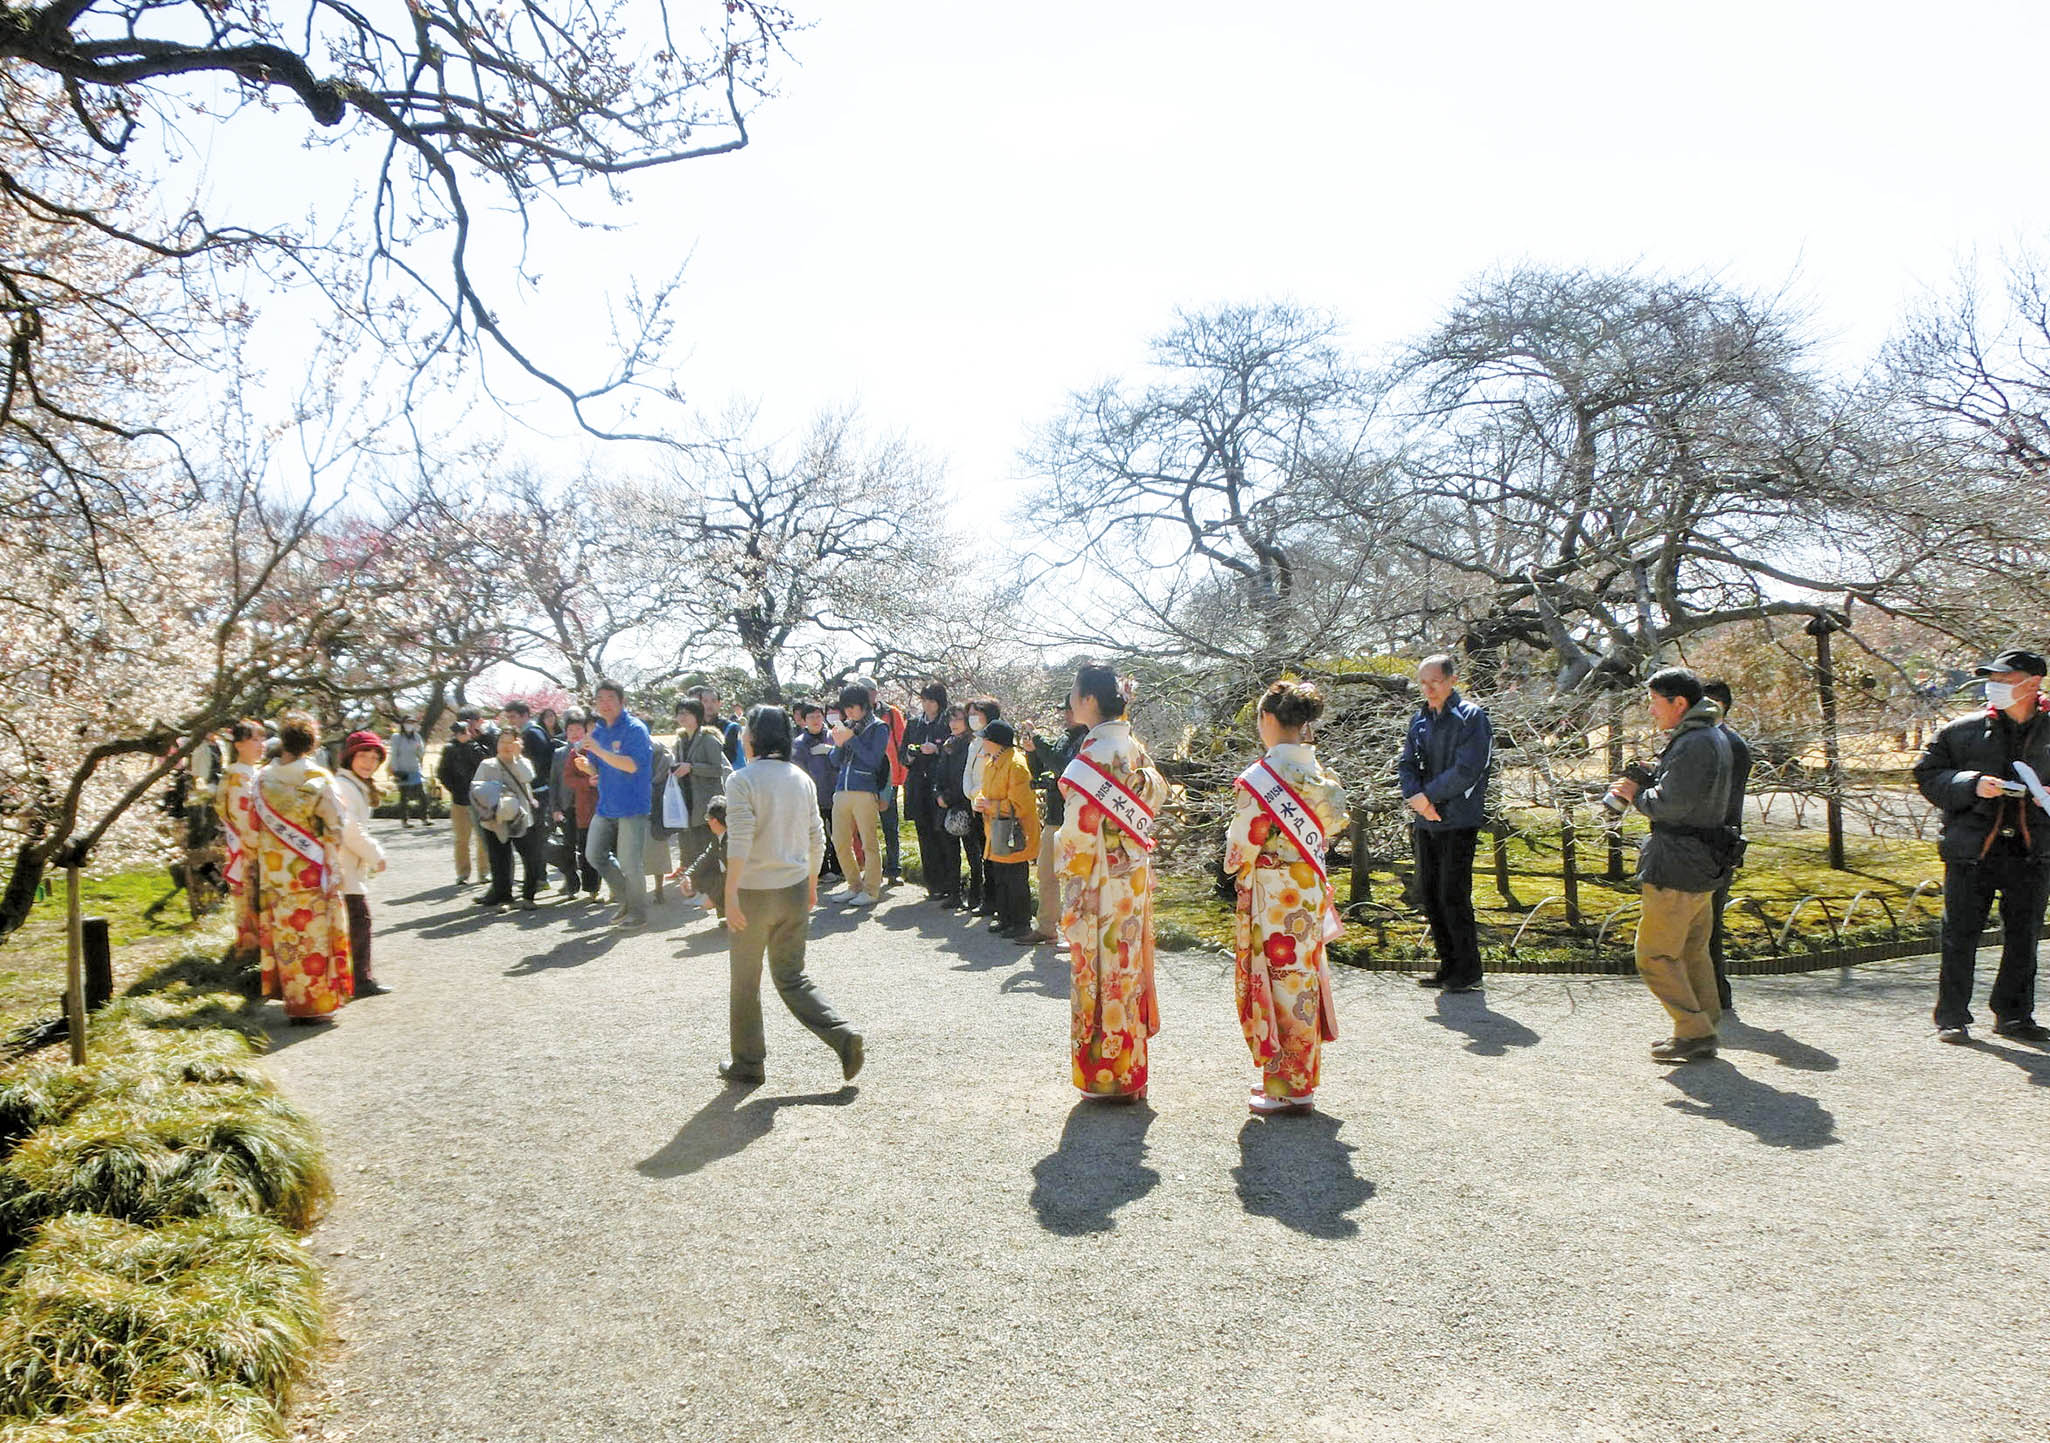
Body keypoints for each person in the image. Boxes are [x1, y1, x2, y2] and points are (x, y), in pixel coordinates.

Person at [718, 705, 865, 1086]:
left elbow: (740, 839)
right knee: (792, 977)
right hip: (796, 887)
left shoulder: (741, 780)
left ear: (753, 737)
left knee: (745, 982)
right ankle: (842, 1035)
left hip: (754, 891)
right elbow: (816, 836)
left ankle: (749, 1063)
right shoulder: (800, 778)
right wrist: (812, 885)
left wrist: (729, 892)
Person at [1913, 647, 2050, 1044]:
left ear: (2033, 682)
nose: (1995, 688)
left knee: (2024, 934)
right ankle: (1952, 1017)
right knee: (1960, 933)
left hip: (2033, 847)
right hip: (1972, 848)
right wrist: (1970, 784)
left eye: (2005, 681)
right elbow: (1928, 774)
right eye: (1992, 680)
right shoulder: (1961, 730)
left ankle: (2014, 1015)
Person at [1225, 682, 1349, 1113]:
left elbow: (1241, 847)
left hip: (1273, 896)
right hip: (1309, 889)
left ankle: (1287, 1087)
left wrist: (1239, 862)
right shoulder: (1323, 778)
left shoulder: (1261, 780)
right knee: (1304, 982)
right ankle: (1300, 1081)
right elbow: (1331, 828)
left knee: (1277, 983)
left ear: (1268, 720)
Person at [1608, 667, 1736, 1065]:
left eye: (1654, 702)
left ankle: (1693, 1030)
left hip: (1677, 864)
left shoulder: (1695, 742)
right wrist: (1656, 776)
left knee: (1654, 955)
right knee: (1693, 951)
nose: (1650, 711)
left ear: (1679, 703)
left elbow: (1671, 805)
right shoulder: (1711, 734)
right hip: (1702, 862)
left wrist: (1635, 793)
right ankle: (1704, 1027)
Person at [1057, 663, 1167, 1101]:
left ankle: (1108, 1076)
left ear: (1088, 700)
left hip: (1101, 878)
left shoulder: (1093, 755)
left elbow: (1078, 832)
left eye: (1073, 693)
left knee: (1100, 970)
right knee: (1129, 966)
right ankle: (1133, 1072)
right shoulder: (1133, 747)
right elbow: (1156, 793)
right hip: (1133, 873)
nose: (1070, 700)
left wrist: (1068, 873)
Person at [1397, 653, 1493, 993]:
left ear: (1452, 680)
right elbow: (1406, 764)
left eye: (1435, 682)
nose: (1429, 689)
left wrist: (1429, 797)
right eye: (1423, 683)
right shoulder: (1419, 719)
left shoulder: (1471, 717)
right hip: (1426, 819)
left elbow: (1469, 769)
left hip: (1458, 818)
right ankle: (1447, 965)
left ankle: (1468, 970)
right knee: (1431, 894)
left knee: (1454, 894)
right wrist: (1416, 798)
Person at [253, 711, 354, 1025]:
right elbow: (336, 825)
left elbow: (254, 825)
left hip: (276, 872)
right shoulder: (318, 779)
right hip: (312, 871)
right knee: (315, 937)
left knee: (288, 938)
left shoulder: (262, 779)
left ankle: (293, 1001)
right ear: (312, 745)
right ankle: (316, 1003)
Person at [578, 679, 654, 929]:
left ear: (622, 701)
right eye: (600, 699)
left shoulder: (635, 728)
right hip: (606, 803)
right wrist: (586, 766)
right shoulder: (599, 731)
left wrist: (598, 752)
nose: (604, 704)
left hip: (632, 805)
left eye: (610, 698)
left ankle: (638, 913)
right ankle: (626, 900)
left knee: (630, 862)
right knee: (594, 854)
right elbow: (598, 766)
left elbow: (631, 765)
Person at [1701, 679, 1754, 1014]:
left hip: (1716, 844)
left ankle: (1716, 995)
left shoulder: (1728, 744)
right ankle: (1712, 994)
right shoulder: (1713, 740)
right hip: (1711, 842)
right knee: (1703, 925)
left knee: (1708, 925)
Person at [335, 731, 394, 995]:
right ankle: (360, 979)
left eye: (374, 757)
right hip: (343, 864)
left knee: (356, 920)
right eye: (363, 756)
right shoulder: (345, 786)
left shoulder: (353, 783)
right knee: (359, 920)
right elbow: (351, 829)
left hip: (348, 865)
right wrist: (375, 854)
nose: (368, 763)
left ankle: (357, 977)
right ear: (350, 757)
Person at [1022, 702, 1086, 945]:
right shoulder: (1064, 738)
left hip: (1077, 817)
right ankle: (1047, 926)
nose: (1066, 715)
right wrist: (1031, 750)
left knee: (1075, 877)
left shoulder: (1089, 740)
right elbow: (1043, 767)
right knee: (1046, 871)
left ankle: (1076, 932)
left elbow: (1063, 765)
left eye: (1070, 710)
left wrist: (1038, 740)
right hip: (1054, 814)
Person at [974, 719, 1042, 939]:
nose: (982, 741)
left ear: (996, 742)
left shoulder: (1016, 765)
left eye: (985, 738)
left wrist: (991, 806)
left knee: (1015, 877)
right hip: (997, 827)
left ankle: (1021, 922)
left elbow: (1021, 805)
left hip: (1015, 830)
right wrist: (980, 800)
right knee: (1000, 874)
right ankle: (1005, 917)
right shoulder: (991, 761)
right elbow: (985, 791)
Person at [827, 685, 891, 907]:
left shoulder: (879, 727)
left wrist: (852, 738)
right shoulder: (847, 725)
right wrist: (838, 744)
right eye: (846, 708)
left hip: (864, 789)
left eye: (852, 707)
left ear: (864, 705)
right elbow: (835, 762)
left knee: (869, 843)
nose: (849, 712)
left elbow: (874, 760)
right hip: (842, 790)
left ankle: (872, 889)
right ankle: (854, 885)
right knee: (840, 841)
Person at [472, 727, 545, 910]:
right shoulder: (487, 765)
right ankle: (505, 897)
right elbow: (476, 791)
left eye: (509, 742)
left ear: (518, 743)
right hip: (495, 819)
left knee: (530, 857)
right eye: (501, 742)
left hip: (520, 816)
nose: (505, 746)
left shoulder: (523, 762)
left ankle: (528, 895)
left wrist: (518, 757)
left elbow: (528, 776)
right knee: (499, 859)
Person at [213, 719, 267, 967]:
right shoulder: (237, 777)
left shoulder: (251, 772)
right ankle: (248, 957)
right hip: (250, 849)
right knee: (249, 903)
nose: (261, 745)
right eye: (255, 739)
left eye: (262, 739)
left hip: (258, 849)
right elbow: (244, 818)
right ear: (239, 744)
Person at [666, 699, 731, 892]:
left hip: (705, 802)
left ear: (698, 716)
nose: (683, 717)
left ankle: (710, 890)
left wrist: (692, 768)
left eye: (687, 713)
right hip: (685, 800)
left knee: (707, 848)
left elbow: (718, 769)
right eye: (680, 713)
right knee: (689, 847)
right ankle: (693, 886)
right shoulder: (679, 741)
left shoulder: (709, 739)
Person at [547, 709, 602, 898]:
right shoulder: (559, 753)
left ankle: (592, 888)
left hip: (587, 807)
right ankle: (570, 882)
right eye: (570, 730)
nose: (575, 733)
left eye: (579, 729)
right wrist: (554, 808)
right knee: (566, 848)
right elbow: (553, 782)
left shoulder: (593, 751)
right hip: (566, 807)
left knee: (589, 848)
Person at [436, 708, 492, 885]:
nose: (467, 728)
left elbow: (486, 762)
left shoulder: (482, 741)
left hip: (480, 798)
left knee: (483, 838)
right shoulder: (450, 749)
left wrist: (471, 744)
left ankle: (484, 873)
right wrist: (454, 789)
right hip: (459, 800)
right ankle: (463, 873)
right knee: (461, 839)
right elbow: (443, 773)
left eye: (472, 722)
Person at [904, 683, 950, 897]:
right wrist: (910, 756)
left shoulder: (947, 722)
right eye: (924, 700)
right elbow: (902, 752)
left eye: (931, 700)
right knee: (924, 833)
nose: (927, 704)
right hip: (918, 784)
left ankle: (949, 884)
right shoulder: (914, 723)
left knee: (942, 834)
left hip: (939, 783)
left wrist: (937, 749)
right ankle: (933, 884)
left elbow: (954, 749)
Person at [793, 703, 844, 882]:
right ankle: (823, 870)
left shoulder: (833, 737)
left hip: (836, 792)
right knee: (819, 834)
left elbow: (842, 761)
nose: (816, 720)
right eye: (811, 717)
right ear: (804, 721)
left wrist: (832, 752)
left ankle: (840, 867)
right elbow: (799, 771)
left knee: (840, 832)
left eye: (818, 715)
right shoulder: (799, 744)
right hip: (814, 795)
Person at [928, 705, 973, 907]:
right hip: (946, 804)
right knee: (950, 851)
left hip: (965, 803)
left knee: (973, 852)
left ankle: (976, 895)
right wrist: (938, 794)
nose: (953, 724)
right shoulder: (949, 744)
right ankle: (954, 893)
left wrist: (950, 797)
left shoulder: (971, 745)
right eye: (951, 720)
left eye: (958, 719)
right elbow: (939, 774)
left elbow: (965, 777)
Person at [960, 698, 1001, 916]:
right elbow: (968, 770)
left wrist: (977, 793)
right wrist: (969, 792)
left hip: (989, 803)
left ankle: (995, 900)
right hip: (974, 803)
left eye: (977, 713)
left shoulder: (996, 742)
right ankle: (987, 898)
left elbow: (991, 776)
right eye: (971, 713)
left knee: (993, 854)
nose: (973, 717)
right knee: (982, 853)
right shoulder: (974, 742)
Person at [679, 795, 730, 923]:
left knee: (725, 879)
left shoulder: (733, 840)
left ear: (714, 821)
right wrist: (689, 875)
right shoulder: (718, 835)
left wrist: (713, 897)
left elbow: (731, 876)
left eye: (708, 818)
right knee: (705, 875)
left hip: (747, 885)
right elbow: (707, 856)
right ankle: (728, 912)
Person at [387, 716, 429, 827]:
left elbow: (421, 753)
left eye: (412, 722)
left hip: (415, 769)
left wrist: (419, 748)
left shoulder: (416, 736)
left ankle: (424, 818)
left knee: (422, 795)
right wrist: (395, 771)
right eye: (408, 722)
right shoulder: (396, 737)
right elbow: (394, 754)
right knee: (404, 797)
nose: (410, 725)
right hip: (402, 770)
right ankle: (404, 821)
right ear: (403, 724)